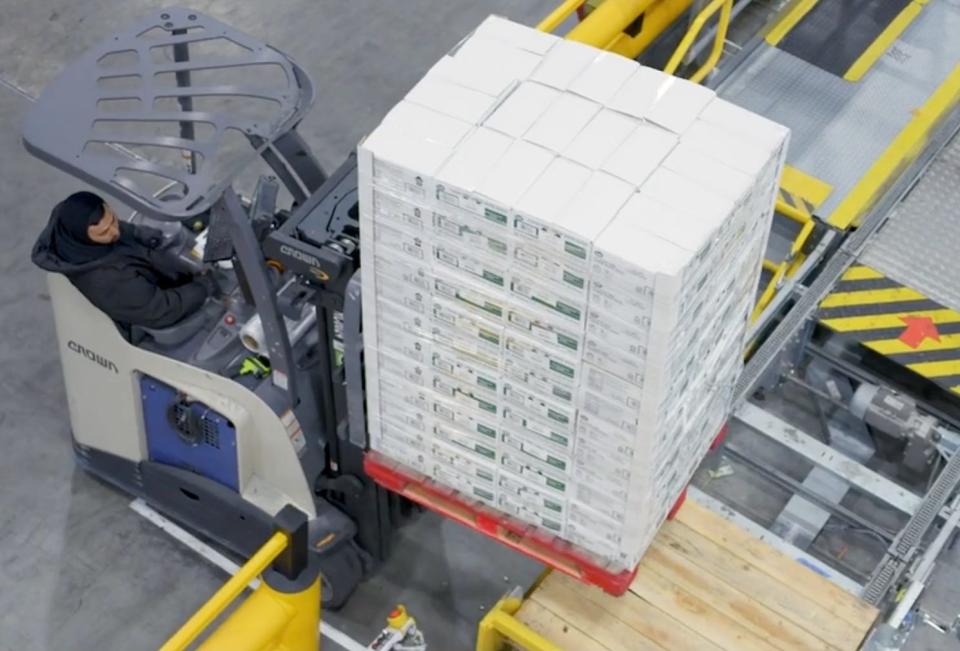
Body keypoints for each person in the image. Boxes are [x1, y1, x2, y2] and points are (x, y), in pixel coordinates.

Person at [32, 191, 219, 330]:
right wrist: (203, 287)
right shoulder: (107, 280)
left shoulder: (75, 226)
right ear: (83, 237)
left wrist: (140, 234)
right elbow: (161, 310)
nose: (114, 232)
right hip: (154, 308)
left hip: (147, 270)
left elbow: (117, 229)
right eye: (104, 232)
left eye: (113, 220)